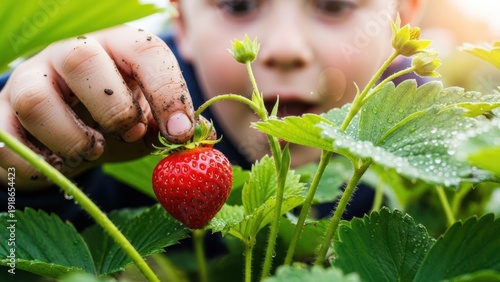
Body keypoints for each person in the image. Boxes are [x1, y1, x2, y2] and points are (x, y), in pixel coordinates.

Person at [0, 0, 425, 230]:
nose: (284, 48)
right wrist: (31, 173)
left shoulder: (422, 125)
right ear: (181, 24)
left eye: (334, 5)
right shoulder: (134, 109)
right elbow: (20, 253)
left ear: (400, 23)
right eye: (238, 6)